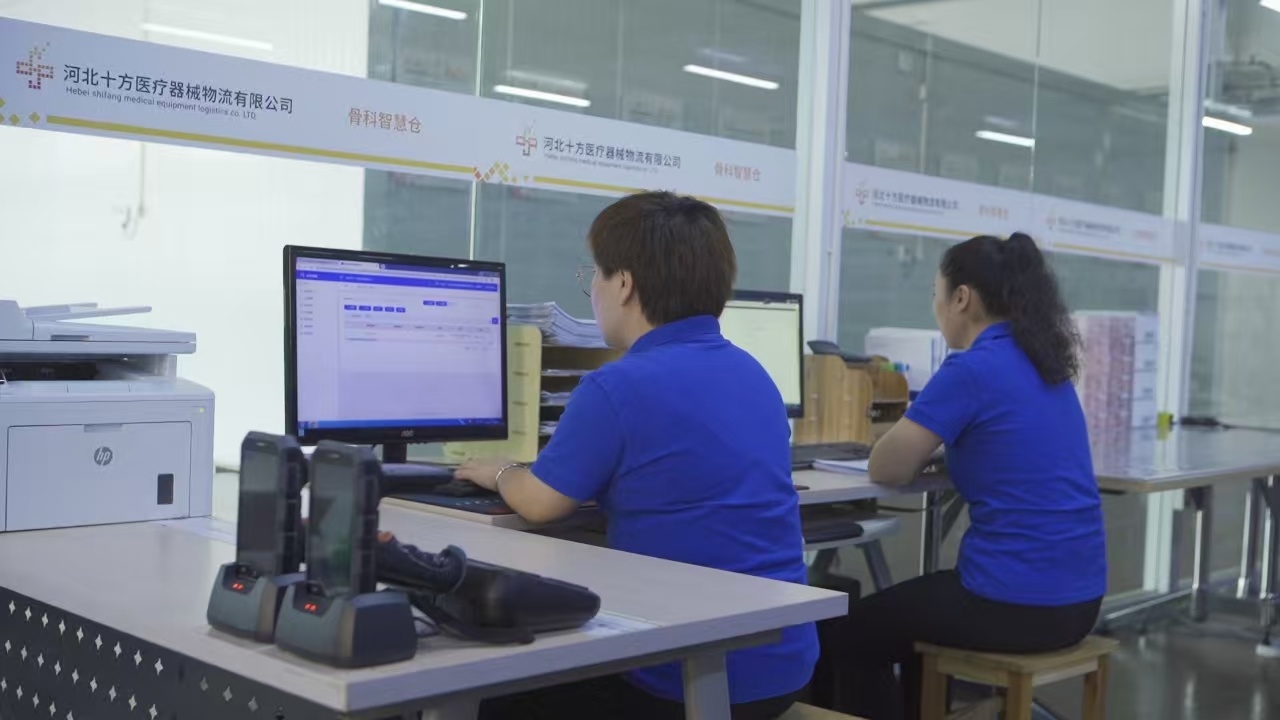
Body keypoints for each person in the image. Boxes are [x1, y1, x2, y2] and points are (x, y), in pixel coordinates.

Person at [455, 191, 819, 720]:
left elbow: (539, 503)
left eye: (596, 275)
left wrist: (502, 470)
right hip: (783, 668)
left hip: (685, 682)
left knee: (487, 692)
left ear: (623, 284)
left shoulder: (618, 386)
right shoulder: (753, 373)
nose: (594, 290)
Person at [836, 232, 1106, 720]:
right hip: (1081, 600)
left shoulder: (972, 369)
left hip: (1014, 602)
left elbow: (887, 467)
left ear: (961, 298)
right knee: (913, 619)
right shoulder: (1044, 364)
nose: (936, 307)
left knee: (848, 636)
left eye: (936, 293)